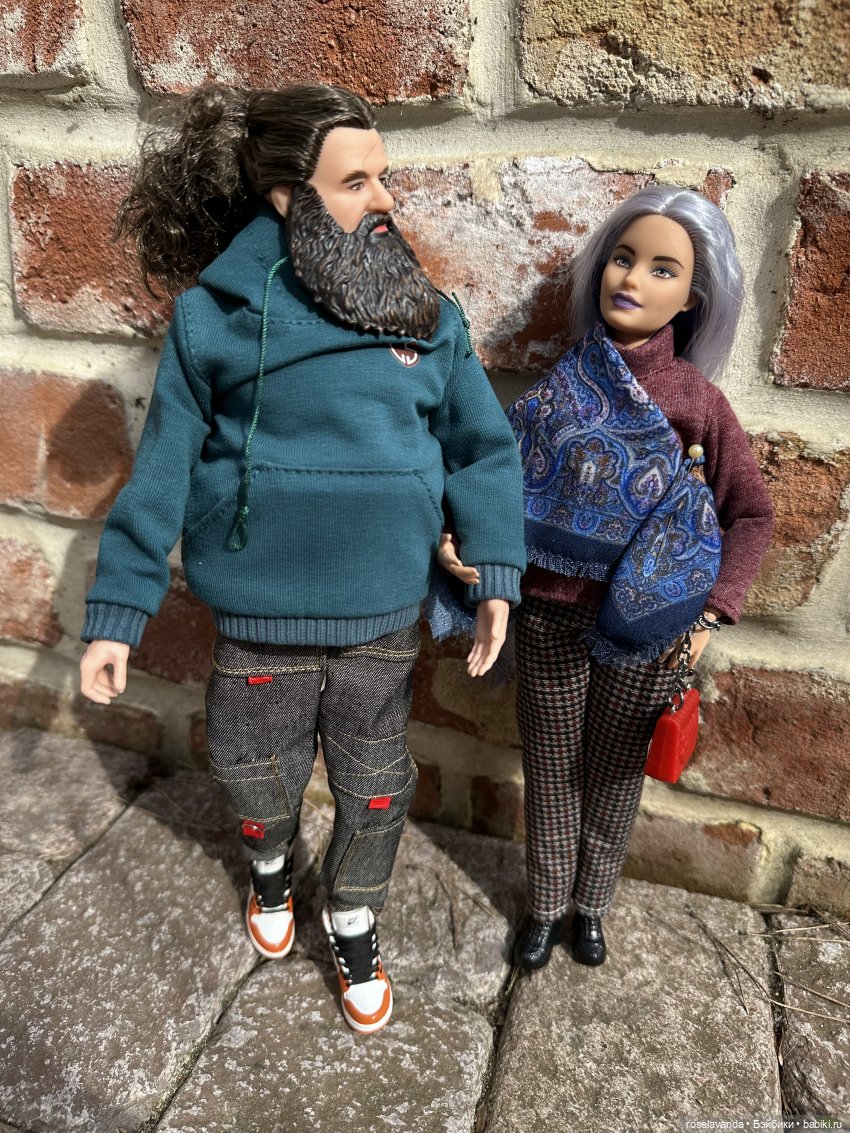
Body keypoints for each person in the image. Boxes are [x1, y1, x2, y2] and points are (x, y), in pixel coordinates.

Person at [79, 83, 525, 1032]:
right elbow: (162, 467)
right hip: (257, 616)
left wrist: (496, 569)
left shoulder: (426, 317)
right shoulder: (216, 318)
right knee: (252, 767)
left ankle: (354, 911)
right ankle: (272, 866)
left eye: (383, 177)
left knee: (377, 783)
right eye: (355, 181)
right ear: (286, 195)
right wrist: (119, 611)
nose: (385, 199)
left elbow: (482, 448)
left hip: (381, 620)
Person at [442, 185, 773, 970]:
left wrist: (711, 611)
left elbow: (752, 514)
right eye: (623, 258)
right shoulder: (558, 389)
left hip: (646, 630)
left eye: (662, 269)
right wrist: (471, 546)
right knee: (551, 768)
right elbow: (499, 482)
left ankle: (591, 906)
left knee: (616, 774)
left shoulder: (697, 402)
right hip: (548, 617)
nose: (632, 278)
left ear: (692, 300)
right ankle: (545, 905)